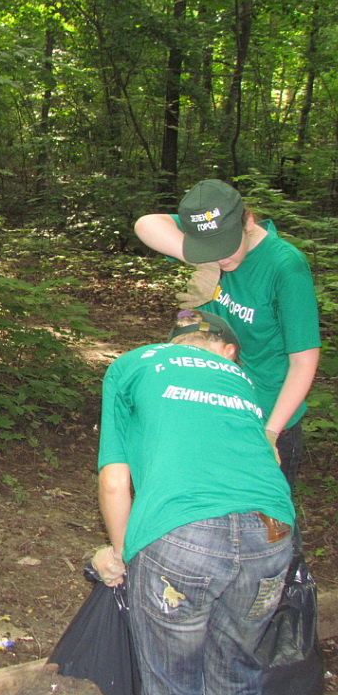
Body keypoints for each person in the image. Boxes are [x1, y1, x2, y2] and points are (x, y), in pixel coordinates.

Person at [93, 310, 294, 695]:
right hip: (271, 537)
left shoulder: (134, 363)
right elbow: (267, 461)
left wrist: (123, 552)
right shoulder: (244, 383)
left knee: (173, 687)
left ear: (171, 344)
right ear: (228, 351)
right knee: (236, 677)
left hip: (183, 534)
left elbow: (115, 481)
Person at [134, 179, 320, 489]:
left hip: (267, 413)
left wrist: (270, 432)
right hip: (211, 402)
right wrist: (200, 261)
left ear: (247, 221)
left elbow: (303, 361)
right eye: (210, 249)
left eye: (225, 247)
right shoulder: (211, 240)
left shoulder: (285, 266)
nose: (220, 257)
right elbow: (146, 224)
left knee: (267, 525)